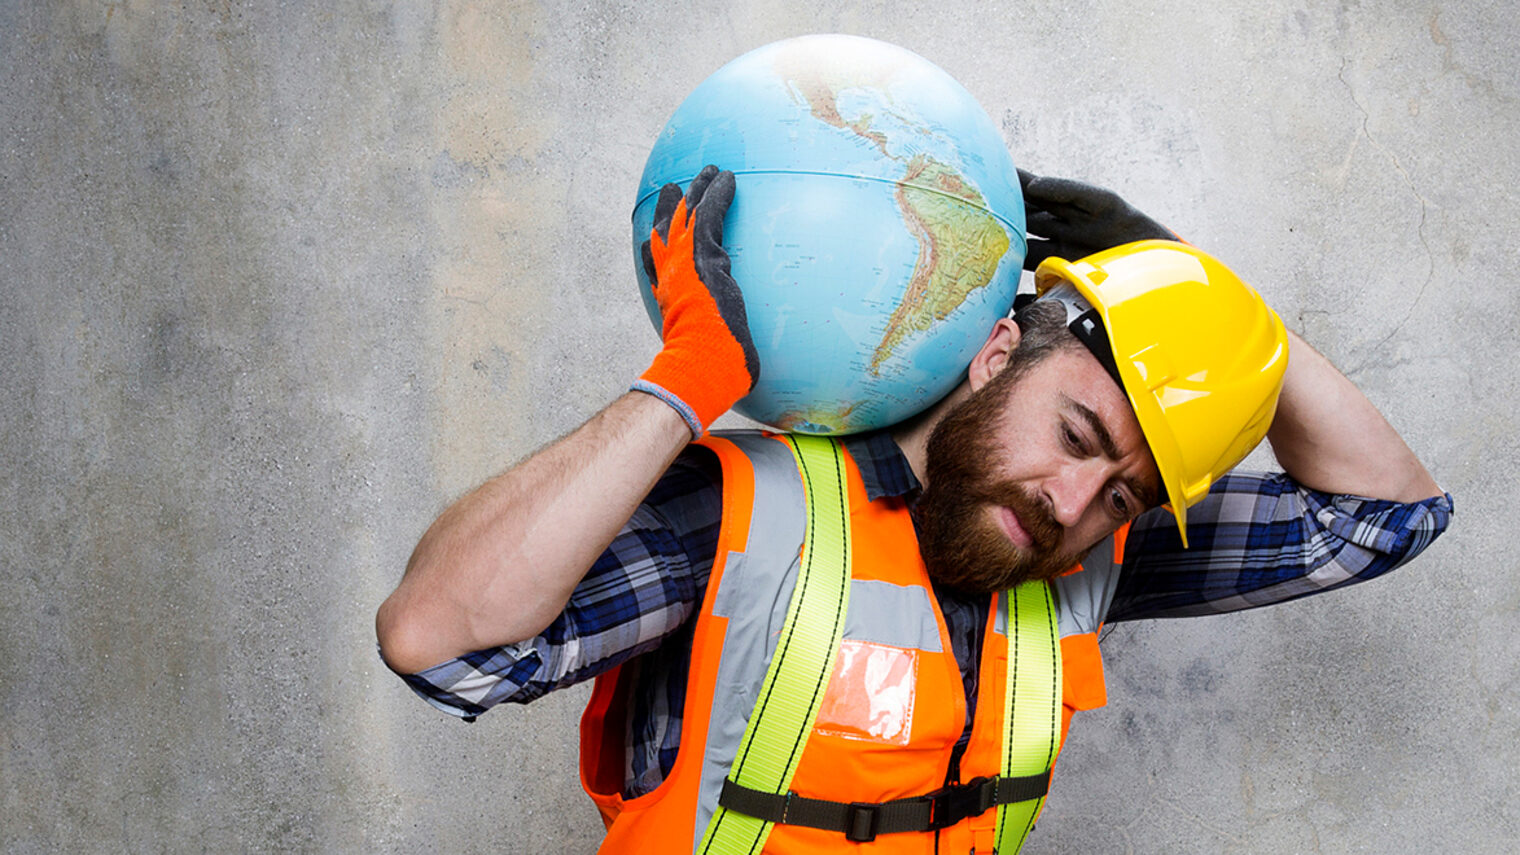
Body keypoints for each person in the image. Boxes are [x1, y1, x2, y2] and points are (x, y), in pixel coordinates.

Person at [375, 166, 1452, 853]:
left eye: (1120, 491)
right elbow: (440, 641)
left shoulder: (1079, 551)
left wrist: (1197, 293)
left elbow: (1381, 516)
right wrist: (678, 388)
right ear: (992, 358)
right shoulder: (749, 517)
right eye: (1074, 436)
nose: (1073, 502)